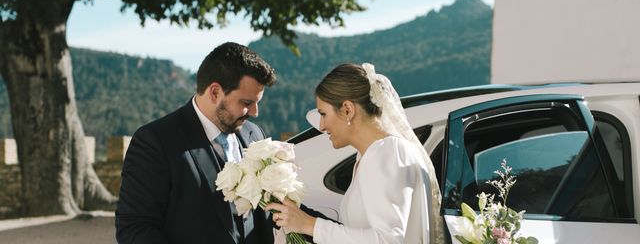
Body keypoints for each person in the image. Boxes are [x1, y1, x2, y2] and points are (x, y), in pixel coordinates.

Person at [266, 63, 446, 244]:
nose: (321, 126)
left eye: (323, 114)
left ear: (347, 110)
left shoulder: (388, 153)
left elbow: (388, 240)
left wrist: (309, 225)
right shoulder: (370, 156)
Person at [116, 42, 277, 244]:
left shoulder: (254, 135)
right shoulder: (155, 141)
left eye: (257, 103)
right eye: (246, 103)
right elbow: (134, 229)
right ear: (215, 92)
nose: (255, 113)